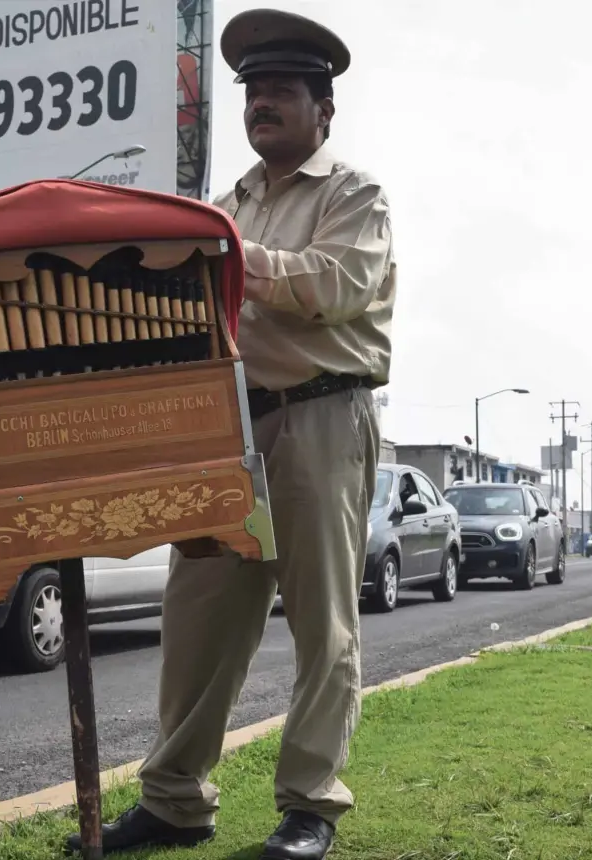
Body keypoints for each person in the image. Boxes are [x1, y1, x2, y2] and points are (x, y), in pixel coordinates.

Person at [66, 8, 395, 860]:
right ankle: (176, 802)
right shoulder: (224, 206)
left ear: (325, 109)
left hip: (323, 414)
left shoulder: (352, 194)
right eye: (252, 91)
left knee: (324, 624)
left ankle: (311, 807)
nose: (262, 103)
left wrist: (221, 253)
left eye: (282, 89)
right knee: (199, 620)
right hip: (224, 430)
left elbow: (334, 287)